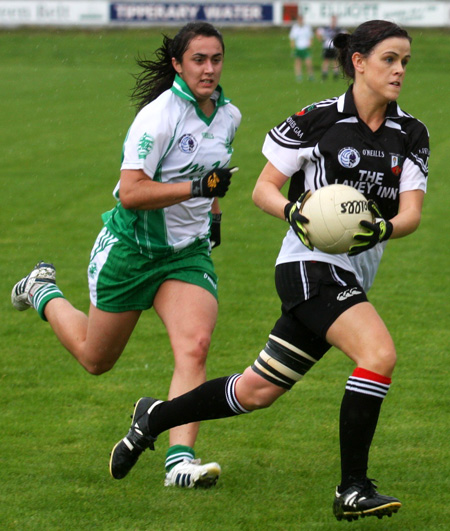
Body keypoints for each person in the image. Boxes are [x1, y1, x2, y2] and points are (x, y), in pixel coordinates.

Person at [109, 20, 428, 521]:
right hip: (308, 266)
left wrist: (383, 230)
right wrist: (293, 213)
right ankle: (352, 487)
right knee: (378, 353)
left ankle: (155, 417)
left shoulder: (410, 133)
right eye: (389, 59)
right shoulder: (314, 120)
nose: (399, 71)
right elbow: (263, 188)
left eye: (405, 61)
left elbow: (410, 213)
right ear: (359, 62)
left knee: (256, 391)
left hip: (354, 273)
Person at [11, 22, 241, 489]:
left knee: (194, 345)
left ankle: (180, 461)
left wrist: (212, 213)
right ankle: (42, 289)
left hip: (185, 254)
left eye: (216, 59)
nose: (209, 69)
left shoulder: (228, 114)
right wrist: (195, 189)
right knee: (96, 359)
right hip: (131, 251)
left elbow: (215, 171)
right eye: (198, 59)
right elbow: (131, 192)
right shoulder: (158, 117)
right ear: (178, 64)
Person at [316, 15, 345, 80]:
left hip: (335, 46)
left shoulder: (338, 28)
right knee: (326, 60)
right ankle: (324, 73)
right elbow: (318, 32)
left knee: (335, 60)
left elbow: (345, 34)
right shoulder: (326, 27)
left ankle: (335, 74)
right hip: (327, 46)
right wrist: (321, 39)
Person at [289, 14, 315, 82]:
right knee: (298, 63)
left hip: (305, 47)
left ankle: (311, 76)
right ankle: (299, 76)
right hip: (298, 47)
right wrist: (293, 47)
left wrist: (310, 44)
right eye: (299, 19)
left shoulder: (307, 27)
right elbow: (292, 38)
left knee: (308, 63)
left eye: (301, 19)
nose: (300, 20)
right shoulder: (295, 28)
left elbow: (311, 36)